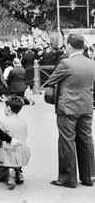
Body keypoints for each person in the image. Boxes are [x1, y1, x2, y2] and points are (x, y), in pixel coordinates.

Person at [44, 34, 95, 188]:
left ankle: (68, 179)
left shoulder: (66, 63)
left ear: (69, 46)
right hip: (86, 106)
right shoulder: (91, 63)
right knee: (86, 140)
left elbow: (50, 81)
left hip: (67, 108)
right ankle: (89, 176)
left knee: (67, 141)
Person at [0, 96, 31, 190]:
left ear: (8, 108)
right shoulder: (24, 122)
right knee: (15, 152)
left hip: (6, 155)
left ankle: (8, 172)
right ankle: (17, 172)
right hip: (21, 155)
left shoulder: (3, 122)